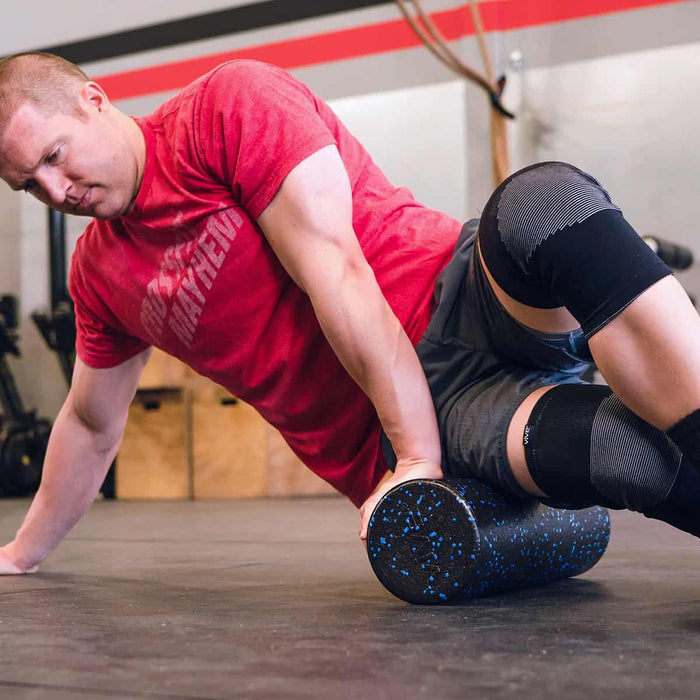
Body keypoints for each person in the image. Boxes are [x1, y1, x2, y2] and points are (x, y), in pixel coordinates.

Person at [0, 53, 698, 577]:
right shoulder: (99, 274)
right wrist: (20, 554)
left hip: (462, 292)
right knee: (622, 452)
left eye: (54, 157)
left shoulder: (225, 108)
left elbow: (334, 265)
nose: (56, 191)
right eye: (28, 185)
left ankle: (624, 281)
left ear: (93, 100)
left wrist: (418, 454)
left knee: (545, 201)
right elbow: (91, 423)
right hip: (437, 417)